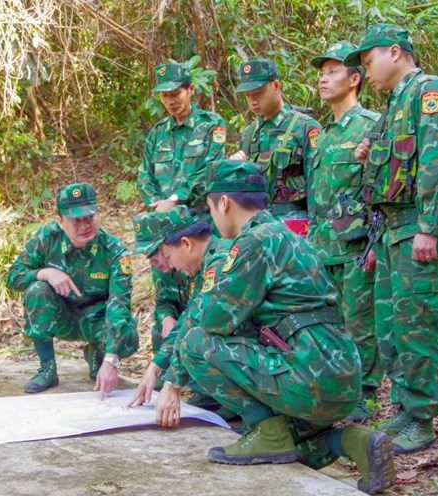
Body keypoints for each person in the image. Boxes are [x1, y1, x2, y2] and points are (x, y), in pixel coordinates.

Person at [151, 160, 395, 494]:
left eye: (210, 208)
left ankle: (266, 430)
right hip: (341, 377)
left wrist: (173, 380)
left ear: (223, 203)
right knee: (293, 446)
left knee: (195, 342)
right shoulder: (288, 236)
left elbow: (213, 321)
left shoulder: (252, 244)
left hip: (309, 375)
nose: (212, 218)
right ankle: (351, 441)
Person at [343, 23, 438, 454]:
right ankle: (405, 407)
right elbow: (393, 166)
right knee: (390, 327)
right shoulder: (395, 103)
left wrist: (429, 227)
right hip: (391, 231)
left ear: (395, 52)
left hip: (416, 228)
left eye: (368, 60)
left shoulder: (429, 90)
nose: (364, 71)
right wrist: (368, 152)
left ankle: (423, 418)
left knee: (418, 324)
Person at [307, 41, 383, 421]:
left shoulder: (371, 126)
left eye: (333, 71)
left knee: (360, 323)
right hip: (323, 245)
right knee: (330, 323)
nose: (323, 78)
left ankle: (365, 395)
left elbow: (381, 188)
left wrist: (374, 242)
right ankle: (337, 392)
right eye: (321, 72)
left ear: (355, 79)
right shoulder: (322, 133)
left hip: (356, 244)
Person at [6, 183, 138, 397]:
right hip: (62, 316)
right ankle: (47, 369)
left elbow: (119, 305)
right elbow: (13, 277)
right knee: (37, 290)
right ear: (60, 220)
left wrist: (111, 359)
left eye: (89, 217)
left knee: (128, 333)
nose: (85, 225)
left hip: (96, 319)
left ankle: (97, 354)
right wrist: (45, 273)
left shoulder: (114, 251)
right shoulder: (47, 239)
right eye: (76, 220)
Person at [137, 61, 227, 350]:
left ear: (190, 89)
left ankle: (199, 358)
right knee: (166, 293)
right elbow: (144, 176)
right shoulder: (157, 134)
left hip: (198, 228)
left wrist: (175, 200)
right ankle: (165, 358)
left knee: (203, 292)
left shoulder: (211, 126)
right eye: (164, 95)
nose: (171, 100)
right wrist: (157, 204)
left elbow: (211, 172)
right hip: (163, 230)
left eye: (176, 92)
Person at [127, 206, 228, 408]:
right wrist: (155, 368)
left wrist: (170, 383)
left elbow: (194, 323)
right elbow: (188, 316)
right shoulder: (206, 263)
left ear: (185, 244)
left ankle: (258, 421)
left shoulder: (219, 263)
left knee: (196, 343)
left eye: (167, 256)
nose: (170, 265)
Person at [231, 58, 320, 221]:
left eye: (258, 93)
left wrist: (314, 232)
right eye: (248, 95)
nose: (253, 101)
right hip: (256, 224)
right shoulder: (249, 133)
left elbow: (318, 188)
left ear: (276, 86)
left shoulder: (303, 127)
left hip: (292, 225)